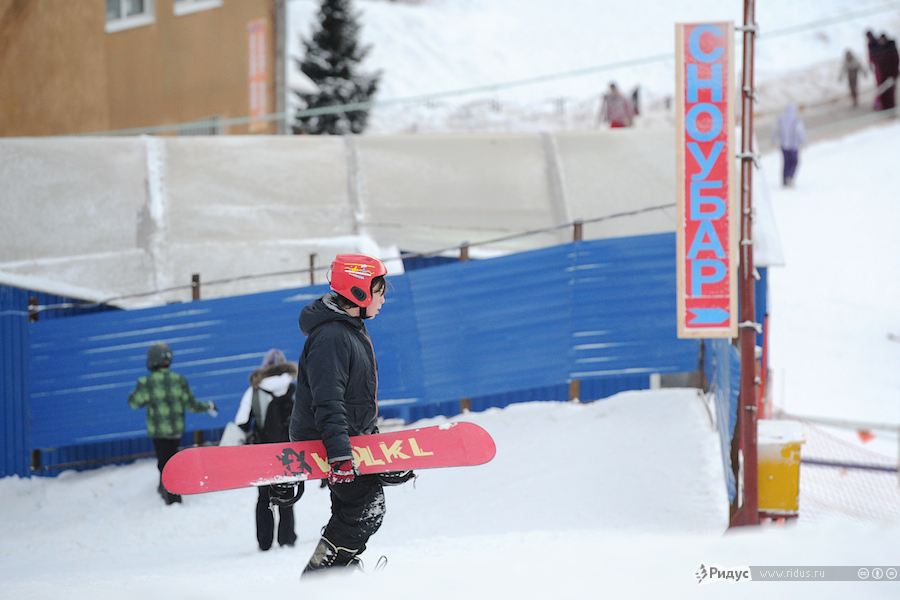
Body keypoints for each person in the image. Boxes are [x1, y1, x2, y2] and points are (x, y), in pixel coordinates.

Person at [289, 253, 413, 577]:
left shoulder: (348, 328)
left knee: (355, 509)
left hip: (345, 439)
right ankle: (320, 574)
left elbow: (353, 400)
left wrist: (377, 453)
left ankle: (335, 572)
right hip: (328, 442)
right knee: (364, 510)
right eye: (379, 290)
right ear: (358, 292)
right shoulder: (331, 336)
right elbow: (328, 401)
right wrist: (341, 455)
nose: (383, 298)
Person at [128, 342, 217, 505]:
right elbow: (191, 405)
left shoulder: (146, 382)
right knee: (168, 459)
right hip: (176, 430)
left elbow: (133, 402)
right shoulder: (179, 380)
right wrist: (208, 406)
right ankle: (164, 489)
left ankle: (173, 499)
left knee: (165, 463)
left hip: (158, 432)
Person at [234, 349, 300, 551]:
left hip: (263, 452)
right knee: (287, 492)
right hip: (289, 451)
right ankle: (287, 538)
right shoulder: (294, 388)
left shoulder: (254, 391)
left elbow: (242, 423)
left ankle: (264, 541)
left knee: (264, 496)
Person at [771, 104, 806, 187]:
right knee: (794, 162)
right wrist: (804, 142)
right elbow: (800, 133)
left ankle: (784, 180)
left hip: (784, 146)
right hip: (793, 146)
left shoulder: (781, 119)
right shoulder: (796, 120)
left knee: (786, 163)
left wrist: (773, 140)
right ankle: (790, 177)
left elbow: (776, 131)